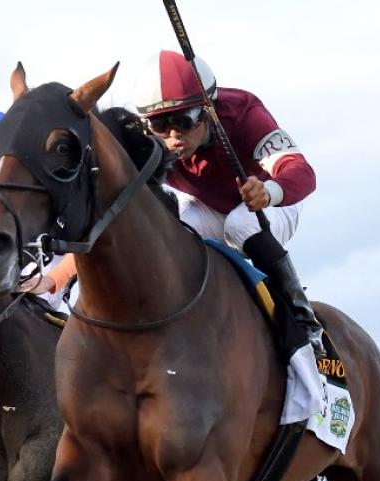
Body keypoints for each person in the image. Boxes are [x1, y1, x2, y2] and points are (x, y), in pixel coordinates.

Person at [133, 50, 325, 352]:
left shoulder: (243, 114)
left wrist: (268, 192)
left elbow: (302, 172)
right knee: (176, 230)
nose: (172, 137)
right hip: (213, 210)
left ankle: (304, 323)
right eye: (160, 125)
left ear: (208, 111)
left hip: (271, 205)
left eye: (184, 121)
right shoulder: (145, 142)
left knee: (241, 222)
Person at [0, 109, 77, 305]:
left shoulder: (50, 181)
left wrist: (52, 280)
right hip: (16, 257)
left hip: (58, 258)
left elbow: (90, 245)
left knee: (32, 300)